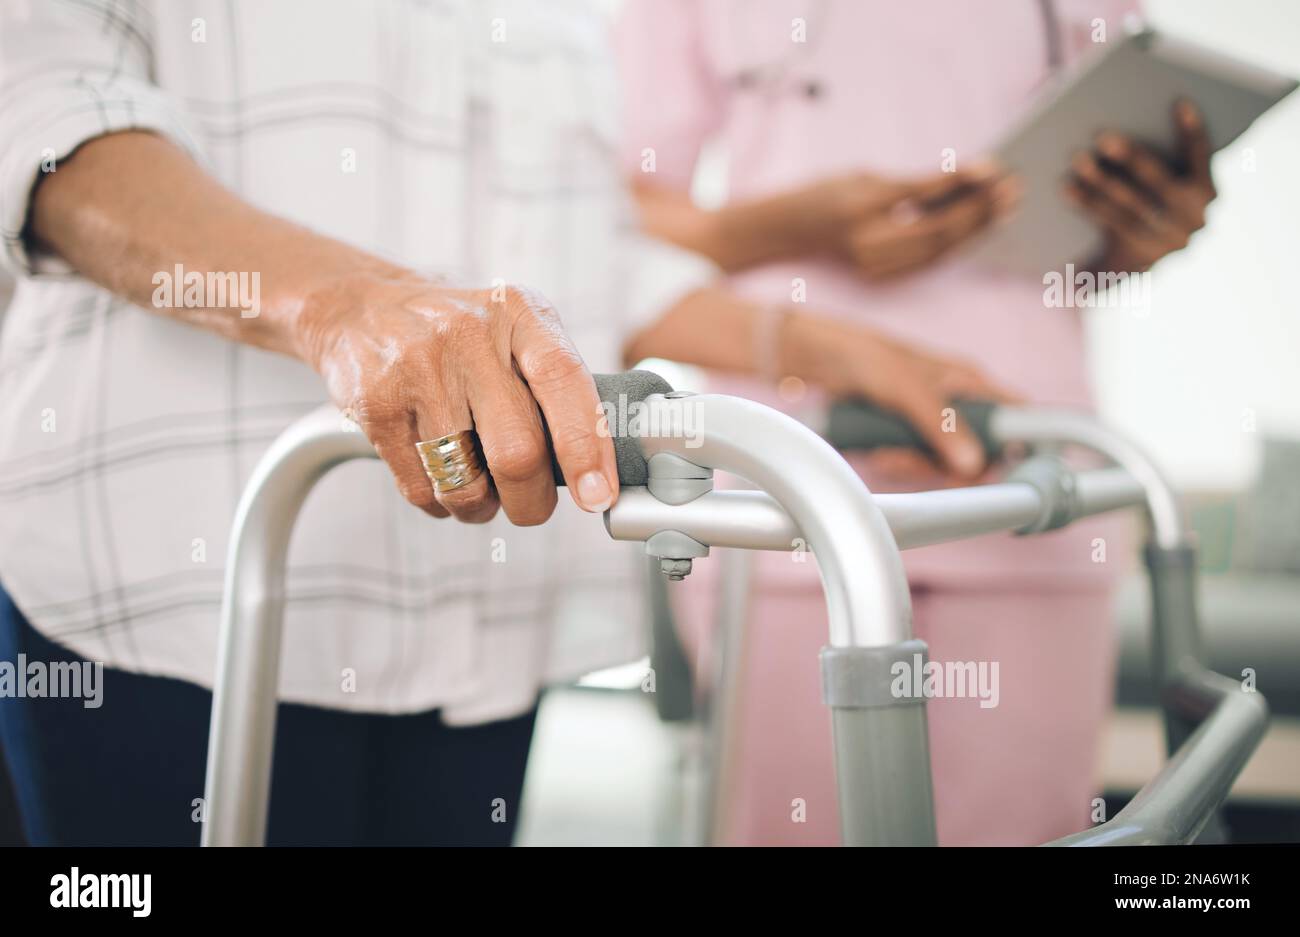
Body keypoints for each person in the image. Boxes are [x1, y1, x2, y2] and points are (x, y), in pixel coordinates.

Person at [0, 0, 1003, 846]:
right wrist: (345, 304)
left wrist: (828, 347)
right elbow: (44, 113)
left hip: (477, 610)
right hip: (186, 591)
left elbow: (587, 260)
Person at [615, 0, 1217, 845]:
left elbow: (1087, 241)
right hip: (790, 493)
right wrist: (787, 228)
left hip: (1029, 479)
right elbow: (605, 223)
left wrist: (1149, 227)